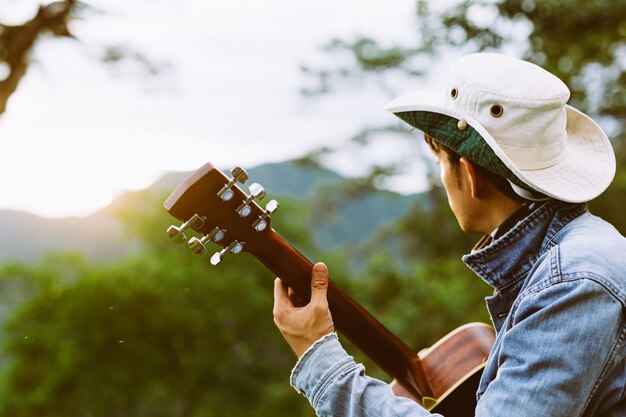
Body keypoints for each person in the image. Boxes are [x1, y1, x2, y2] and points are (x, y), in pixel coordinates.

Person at [272, 53, 626, 417]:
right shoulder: (576, 255)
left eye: (441, 161)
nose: (442, 177)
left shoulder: (571, 283)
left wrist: (321, 359)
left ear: (470, 175)